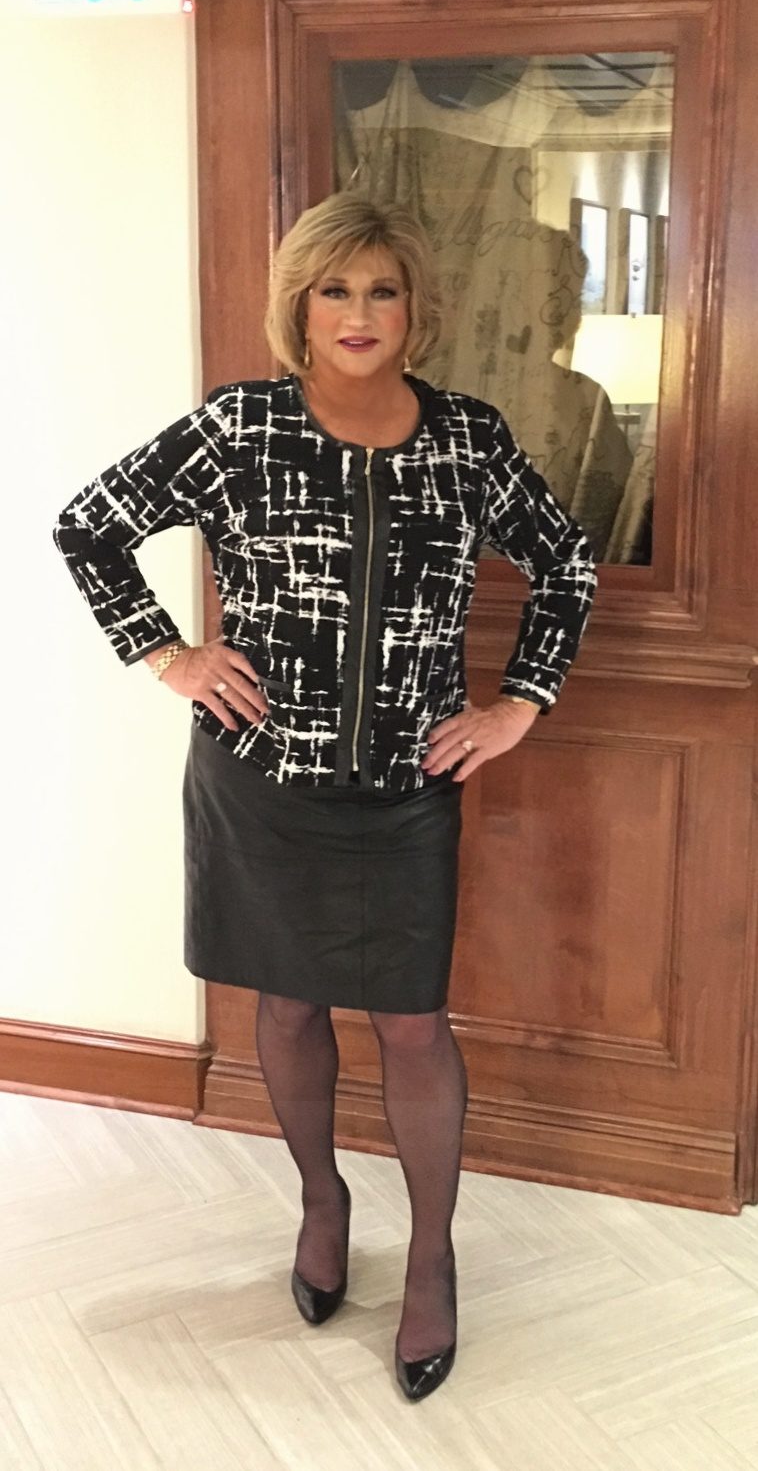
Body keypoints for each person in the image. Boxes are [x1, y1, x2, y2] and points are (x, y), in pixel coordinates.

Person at [53, 192, 598, 1402]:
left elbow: (563, 561)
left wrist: (519, 702)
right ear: (297, 306)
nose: (357, 313)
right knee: (289, 1004)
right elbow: (88, 528)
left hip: (405, 788)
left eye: (380, 290)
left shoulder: (465, 440)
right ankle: (319, 1201)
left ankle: (432, 1259)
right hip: (260, 779)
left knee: (411, 1024)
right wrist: (167, 652)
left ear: (415, 309)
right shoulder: (240, 427)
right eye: (332, 290)